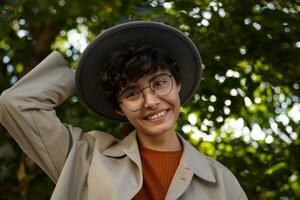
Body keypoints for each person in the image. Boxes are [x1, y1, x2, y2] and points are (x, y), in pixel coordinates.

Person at [0, 21, 247, 200]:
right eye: (131, 93)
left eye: (159, 83)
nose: (150, 101)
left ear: (178, 85)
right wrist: (84, 74)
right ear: (119, 108)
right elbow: (16, 102)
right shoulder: (84, 158)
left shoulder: (221, 181)